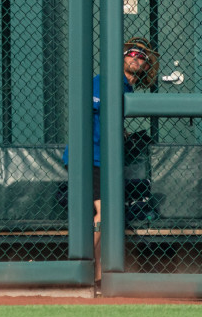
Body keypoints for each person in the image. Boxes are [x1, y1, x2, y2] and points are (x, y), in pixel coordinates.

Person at [62, 37, 158, 279]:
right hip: (87, 157)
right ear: (122, 57)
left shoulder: (127, 88)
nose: (135, 57)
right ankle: (82, 267)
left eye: (141, 56)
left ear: (146, 66)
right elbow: (91, 109)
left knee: (105, 216)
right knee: (103, 212)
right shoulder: (104, 81)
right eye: (131, 53)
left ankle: (96, 274)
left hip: (104, 160)